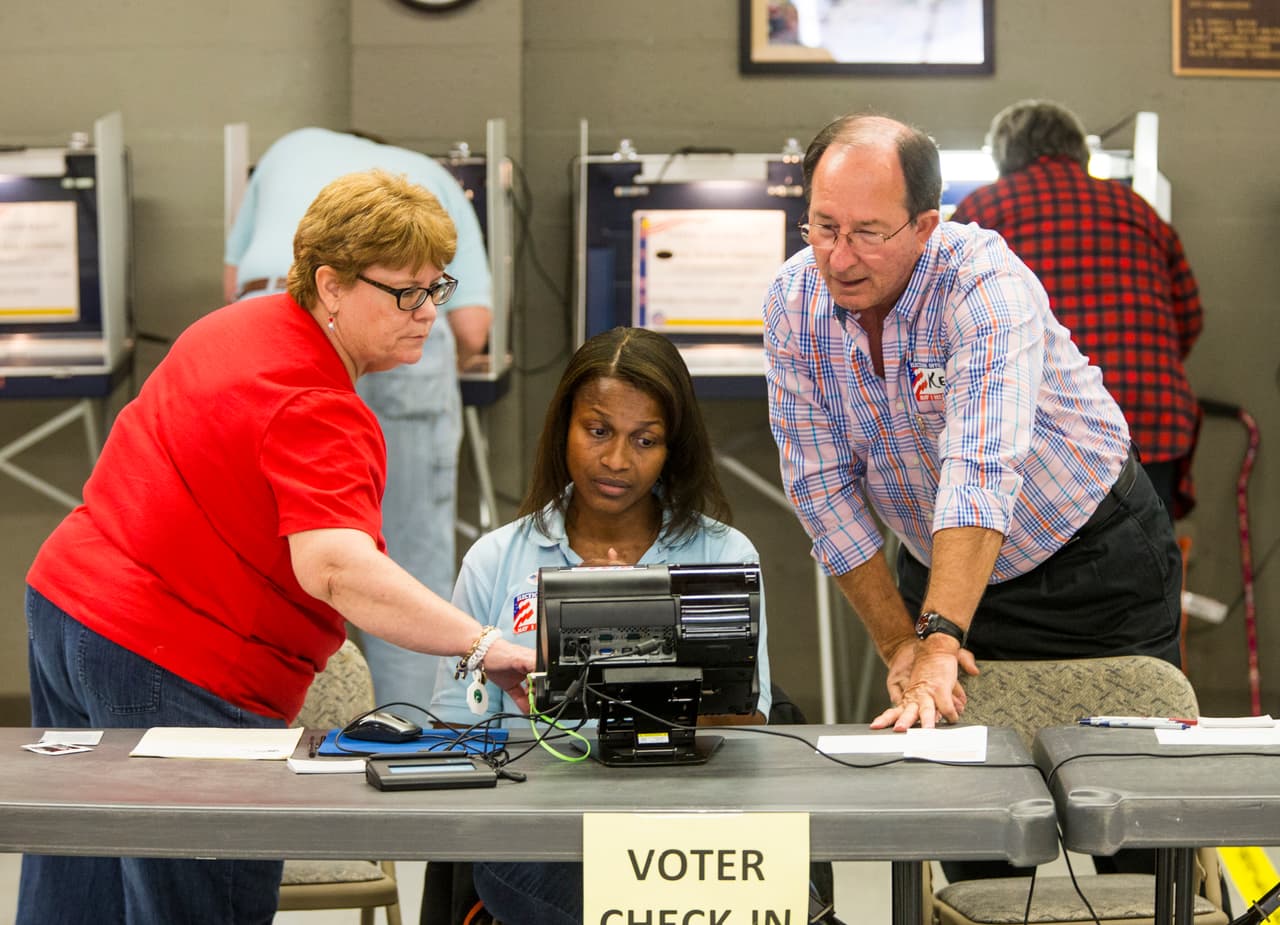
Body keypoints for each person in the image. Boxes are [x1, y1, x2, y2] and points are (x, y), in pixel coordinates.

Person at [21, 170, 534, 925]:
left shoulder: (242, 323)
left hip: (69, 614)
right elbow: (335, 568)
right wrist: (484, 643)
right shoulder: (317, 404)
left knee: (81, 883)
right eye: (405, 293)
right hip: (175, 660)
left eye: (437, 287)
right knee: (201, 904)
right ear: (330, 283)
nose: (428, 313)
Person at [763, 113, 1182, 734]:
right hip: (941, 571)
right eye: (824, 228)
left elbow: (978, 469)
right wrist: (903, 644)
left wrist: (936, 641)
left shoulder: (983, 283)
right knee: (951, 781)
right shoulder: (792, 300)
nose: (839, 258)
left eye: (868, 234)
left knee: (1126, 785)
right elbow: (821, 490)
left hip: (1091, 562)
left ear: (926, 226)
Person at [433, 326, 774, 925]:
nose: (617, 460)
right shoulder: (497, 559)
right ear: (563, 426)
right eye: (598, 431)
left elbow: (749, 718)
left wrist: (639, 658)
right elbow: (456, 732)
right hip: (539, 830)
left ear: (674, 449)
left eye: (646, 440)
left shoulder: (723, 553)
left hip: (686, 826)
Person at [225, 127, 493, 709]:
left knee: (265, 553)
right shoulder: (436, 177)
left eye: (431, 290)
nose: (425, 308)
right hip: (369, 336)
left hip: (271, 312)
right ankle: (417, 741)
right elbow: (472, 329)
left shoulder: (282, 150)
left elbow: (231, 282)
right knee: (404, 557)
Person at [951, 99, 1204, 519]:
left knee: (1041, 574)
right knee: (1145, 566)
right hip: (1149, 413)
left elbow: (948, 320)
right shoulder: (1137, 209)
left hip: (1044, 427)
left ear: (1003, 158)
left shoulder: (983, 211)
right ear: (1080, 152)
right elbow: (1189, 319)